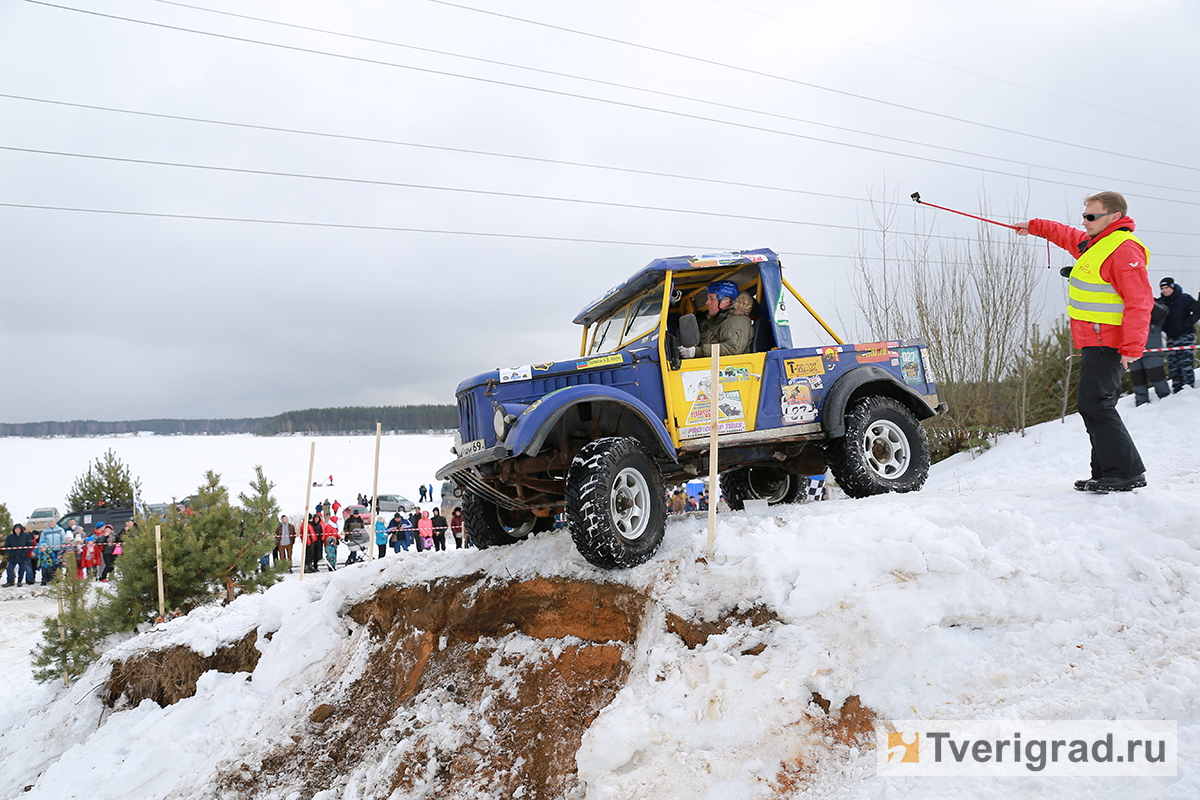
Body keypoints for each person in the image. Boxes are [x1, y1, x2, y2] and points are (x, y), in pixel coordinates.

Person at [1017, 191, 1152, 493]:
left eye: (1091, 217)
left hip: (1111, 343)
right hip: (1095, 341)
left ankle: (1125, 472)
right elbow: (1066, 235)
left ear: (1113, 217)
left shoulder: (1123, 250)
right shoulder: (1096, 245)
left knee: (1095, 403)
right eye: (1085, 216)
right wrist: (1034, 226)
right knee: (1094, 404)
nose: (1085, 222)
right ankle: (1106, 472)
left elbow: (1139, 302)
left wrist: (1131, 348)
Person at [678, 280, 754, 359]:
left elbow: (733, 348)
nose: (707, 302)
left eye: (711, 299)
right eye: (708, 298)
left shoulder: (736, 322)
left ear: (726, 302)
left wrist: (697, 352)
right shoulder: (714, 322)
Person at [1157, 277, 1199, 393]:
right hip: (1171, 336)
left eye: (1167, 288)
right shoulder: (1161, 301)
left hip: (1186, 334)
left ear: (1173, 287)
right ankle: (1177, 389)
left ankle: (1188, 389)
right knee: (1173, 364)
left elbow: (1197, 310)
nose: (1164, 290)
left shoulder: (1184, 298)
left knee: (1185, 363)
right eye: (1162, 288)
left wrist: (1187, 323)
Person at [1129, 299, 1171, 406]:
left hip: (1152, 349)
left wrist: (1143, 299)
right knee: (1137, 377)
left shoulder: (1157, 305)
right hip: (1133, 349)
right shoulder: (1130, 308)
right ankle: (1141, 401)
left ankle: (1165, 397)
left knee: (1156, 374)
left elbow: (1161, 313)